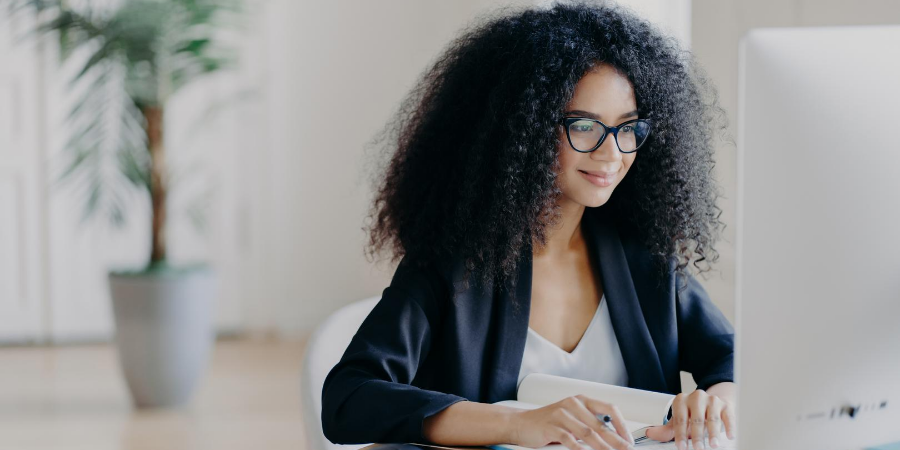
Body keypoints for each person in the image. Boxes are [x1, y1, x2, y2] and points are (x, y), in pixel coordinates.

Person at [321, 2, 736, 450]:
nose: (612, 153)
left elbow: (733, 357)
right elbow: (349, 398)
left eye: (628, 128)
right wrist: (516, 424)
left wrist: (718, 399)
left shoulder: (646, 257)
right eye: (584, 125)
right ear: (524, 129)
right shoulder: (452, 265)